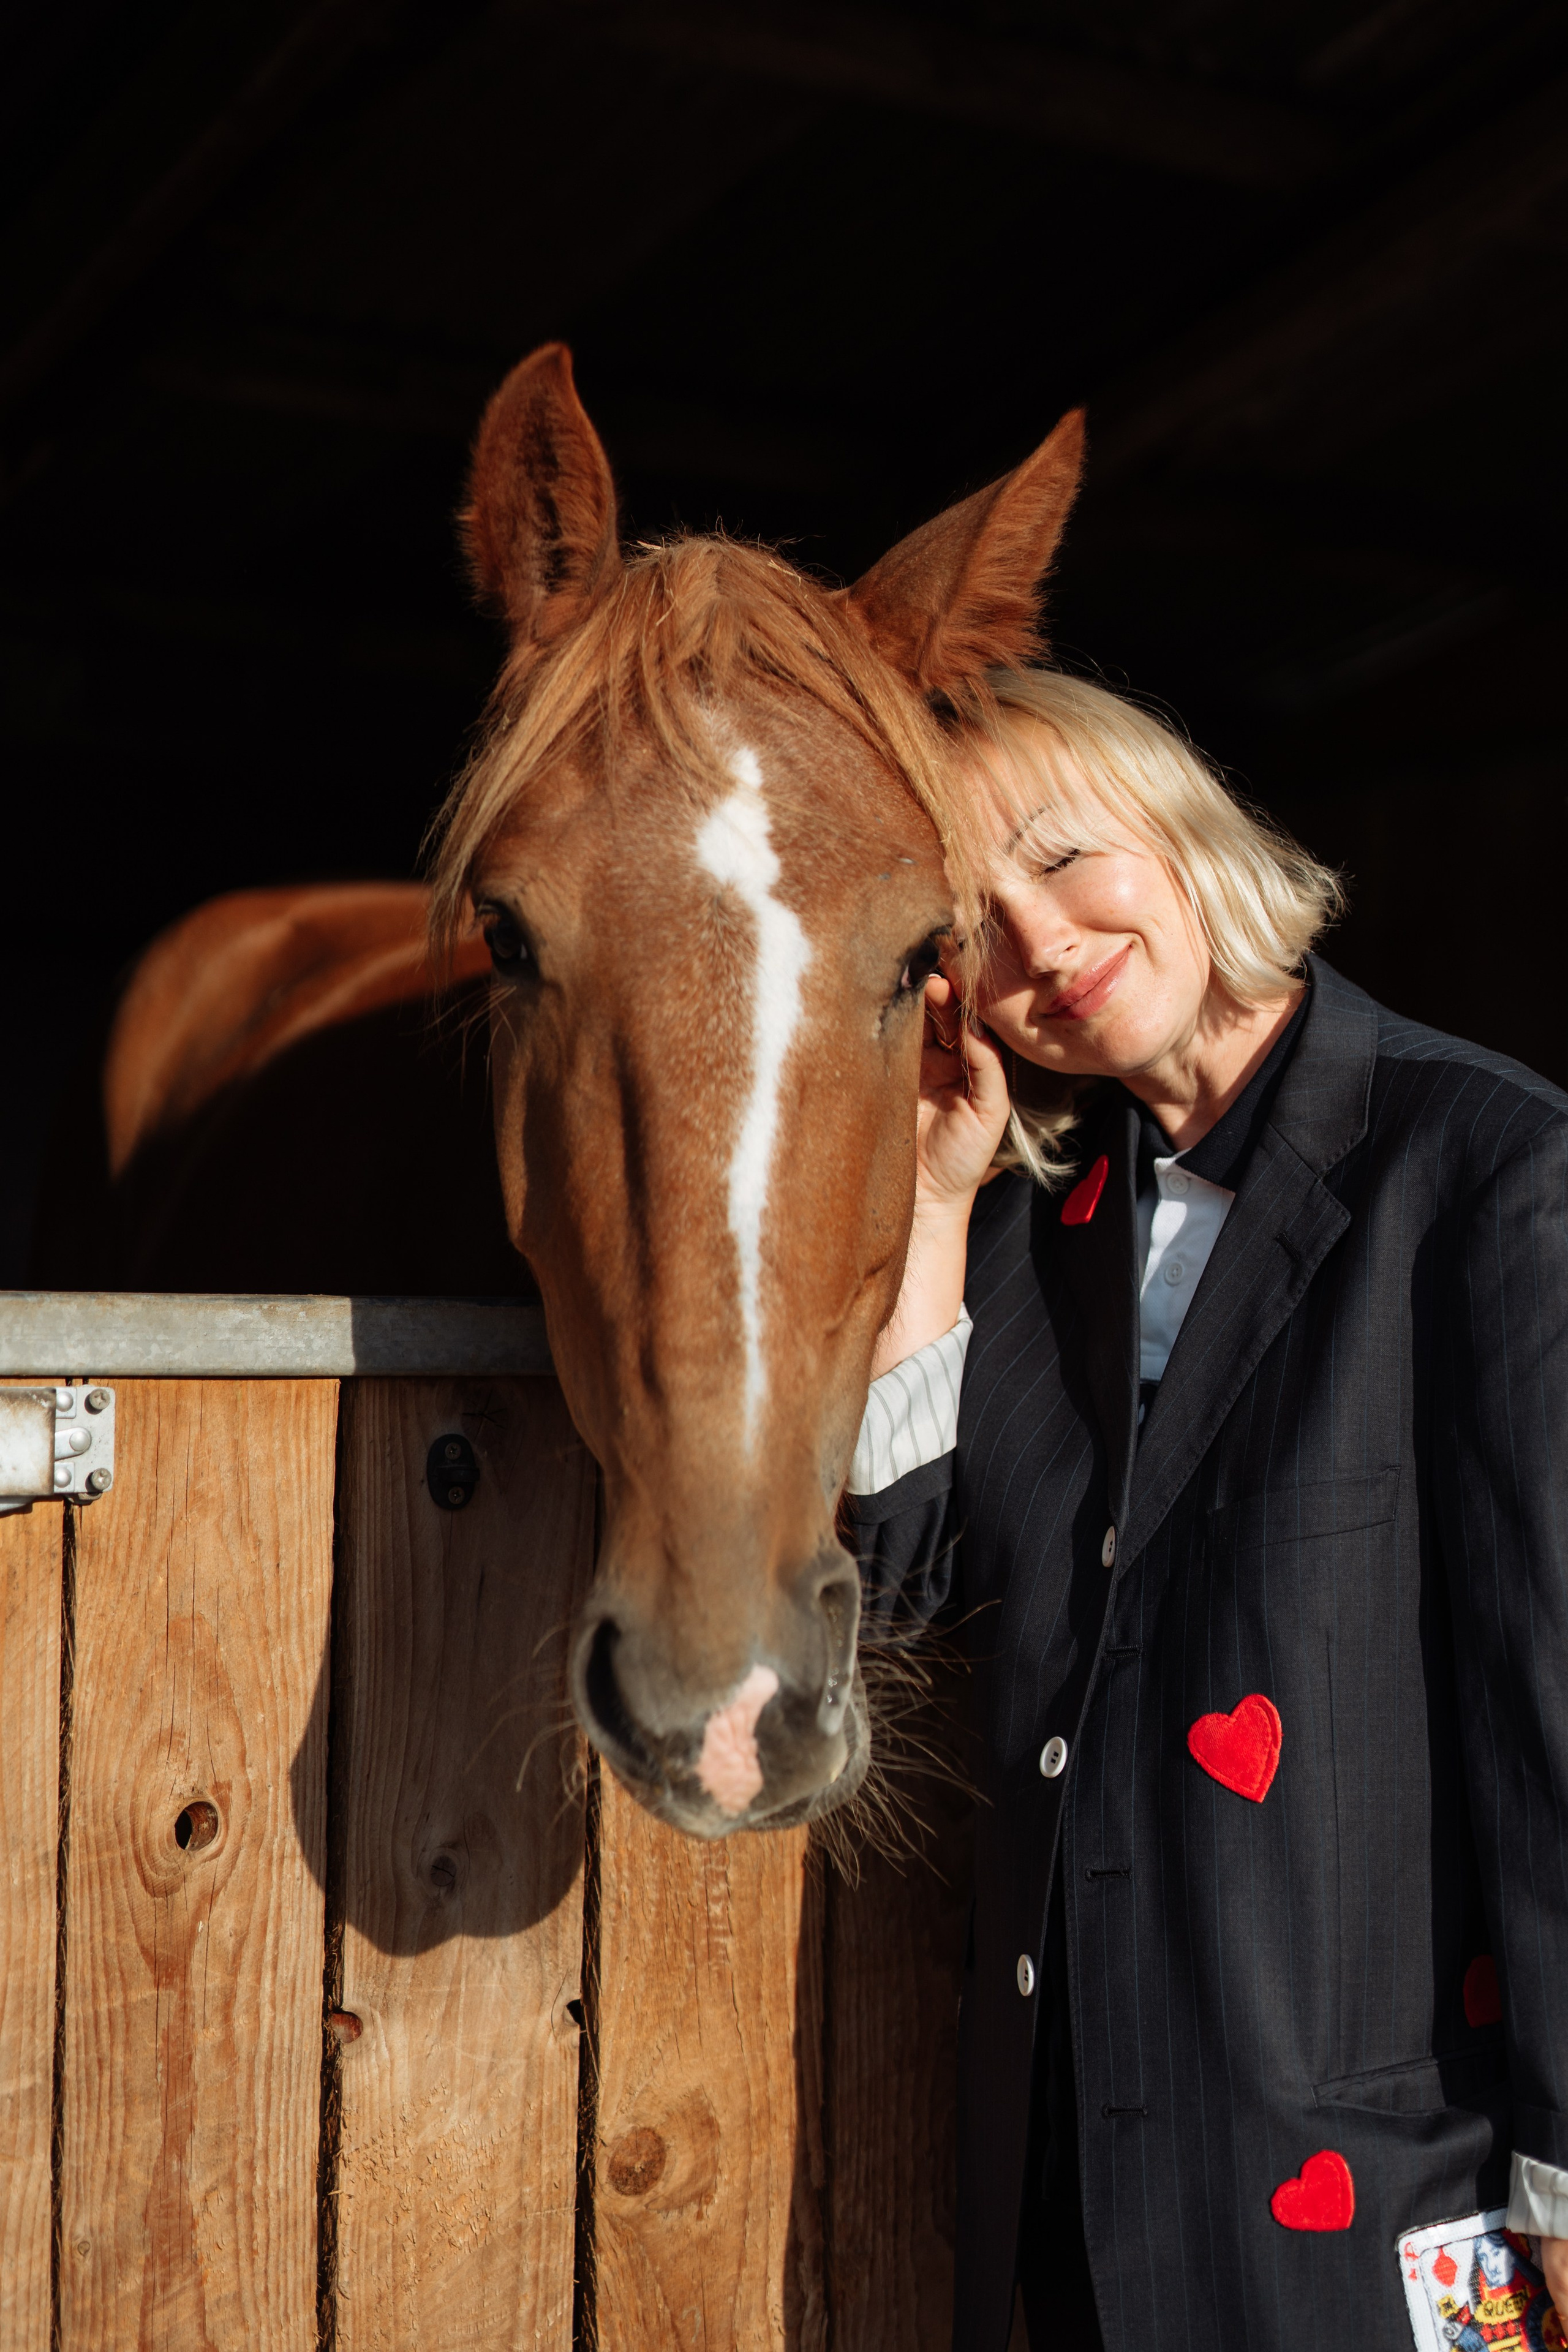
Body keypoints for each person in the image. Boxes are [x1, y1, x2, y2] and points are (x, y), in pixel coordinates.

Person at [845, 665, 1568, 2352]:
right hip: (1077, 2230)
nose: (1044, 946)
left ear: (1179, 828)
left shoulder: (1486, 1174)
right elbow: (893, 1615)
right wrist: (939, 1213)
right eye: (977, 929)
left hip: (1392, 2210)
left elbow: (1558, 1722)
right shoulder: (1037, 1239)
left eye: (1065, 858)